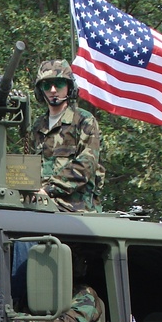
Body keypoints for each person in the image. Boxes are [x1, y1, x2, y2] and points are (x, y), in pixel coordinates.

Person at [28, 59, 104, 212]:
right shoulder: (38, 127)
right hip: (39, 207)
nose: (53, 90)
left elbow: (86, 166)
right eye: (47, 85)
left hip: (76, 210)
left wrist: (49, 190)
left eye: (59, 84)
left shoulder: (84, 121)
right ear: (40, 90)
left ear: (69, 87)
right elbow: (29, 167)